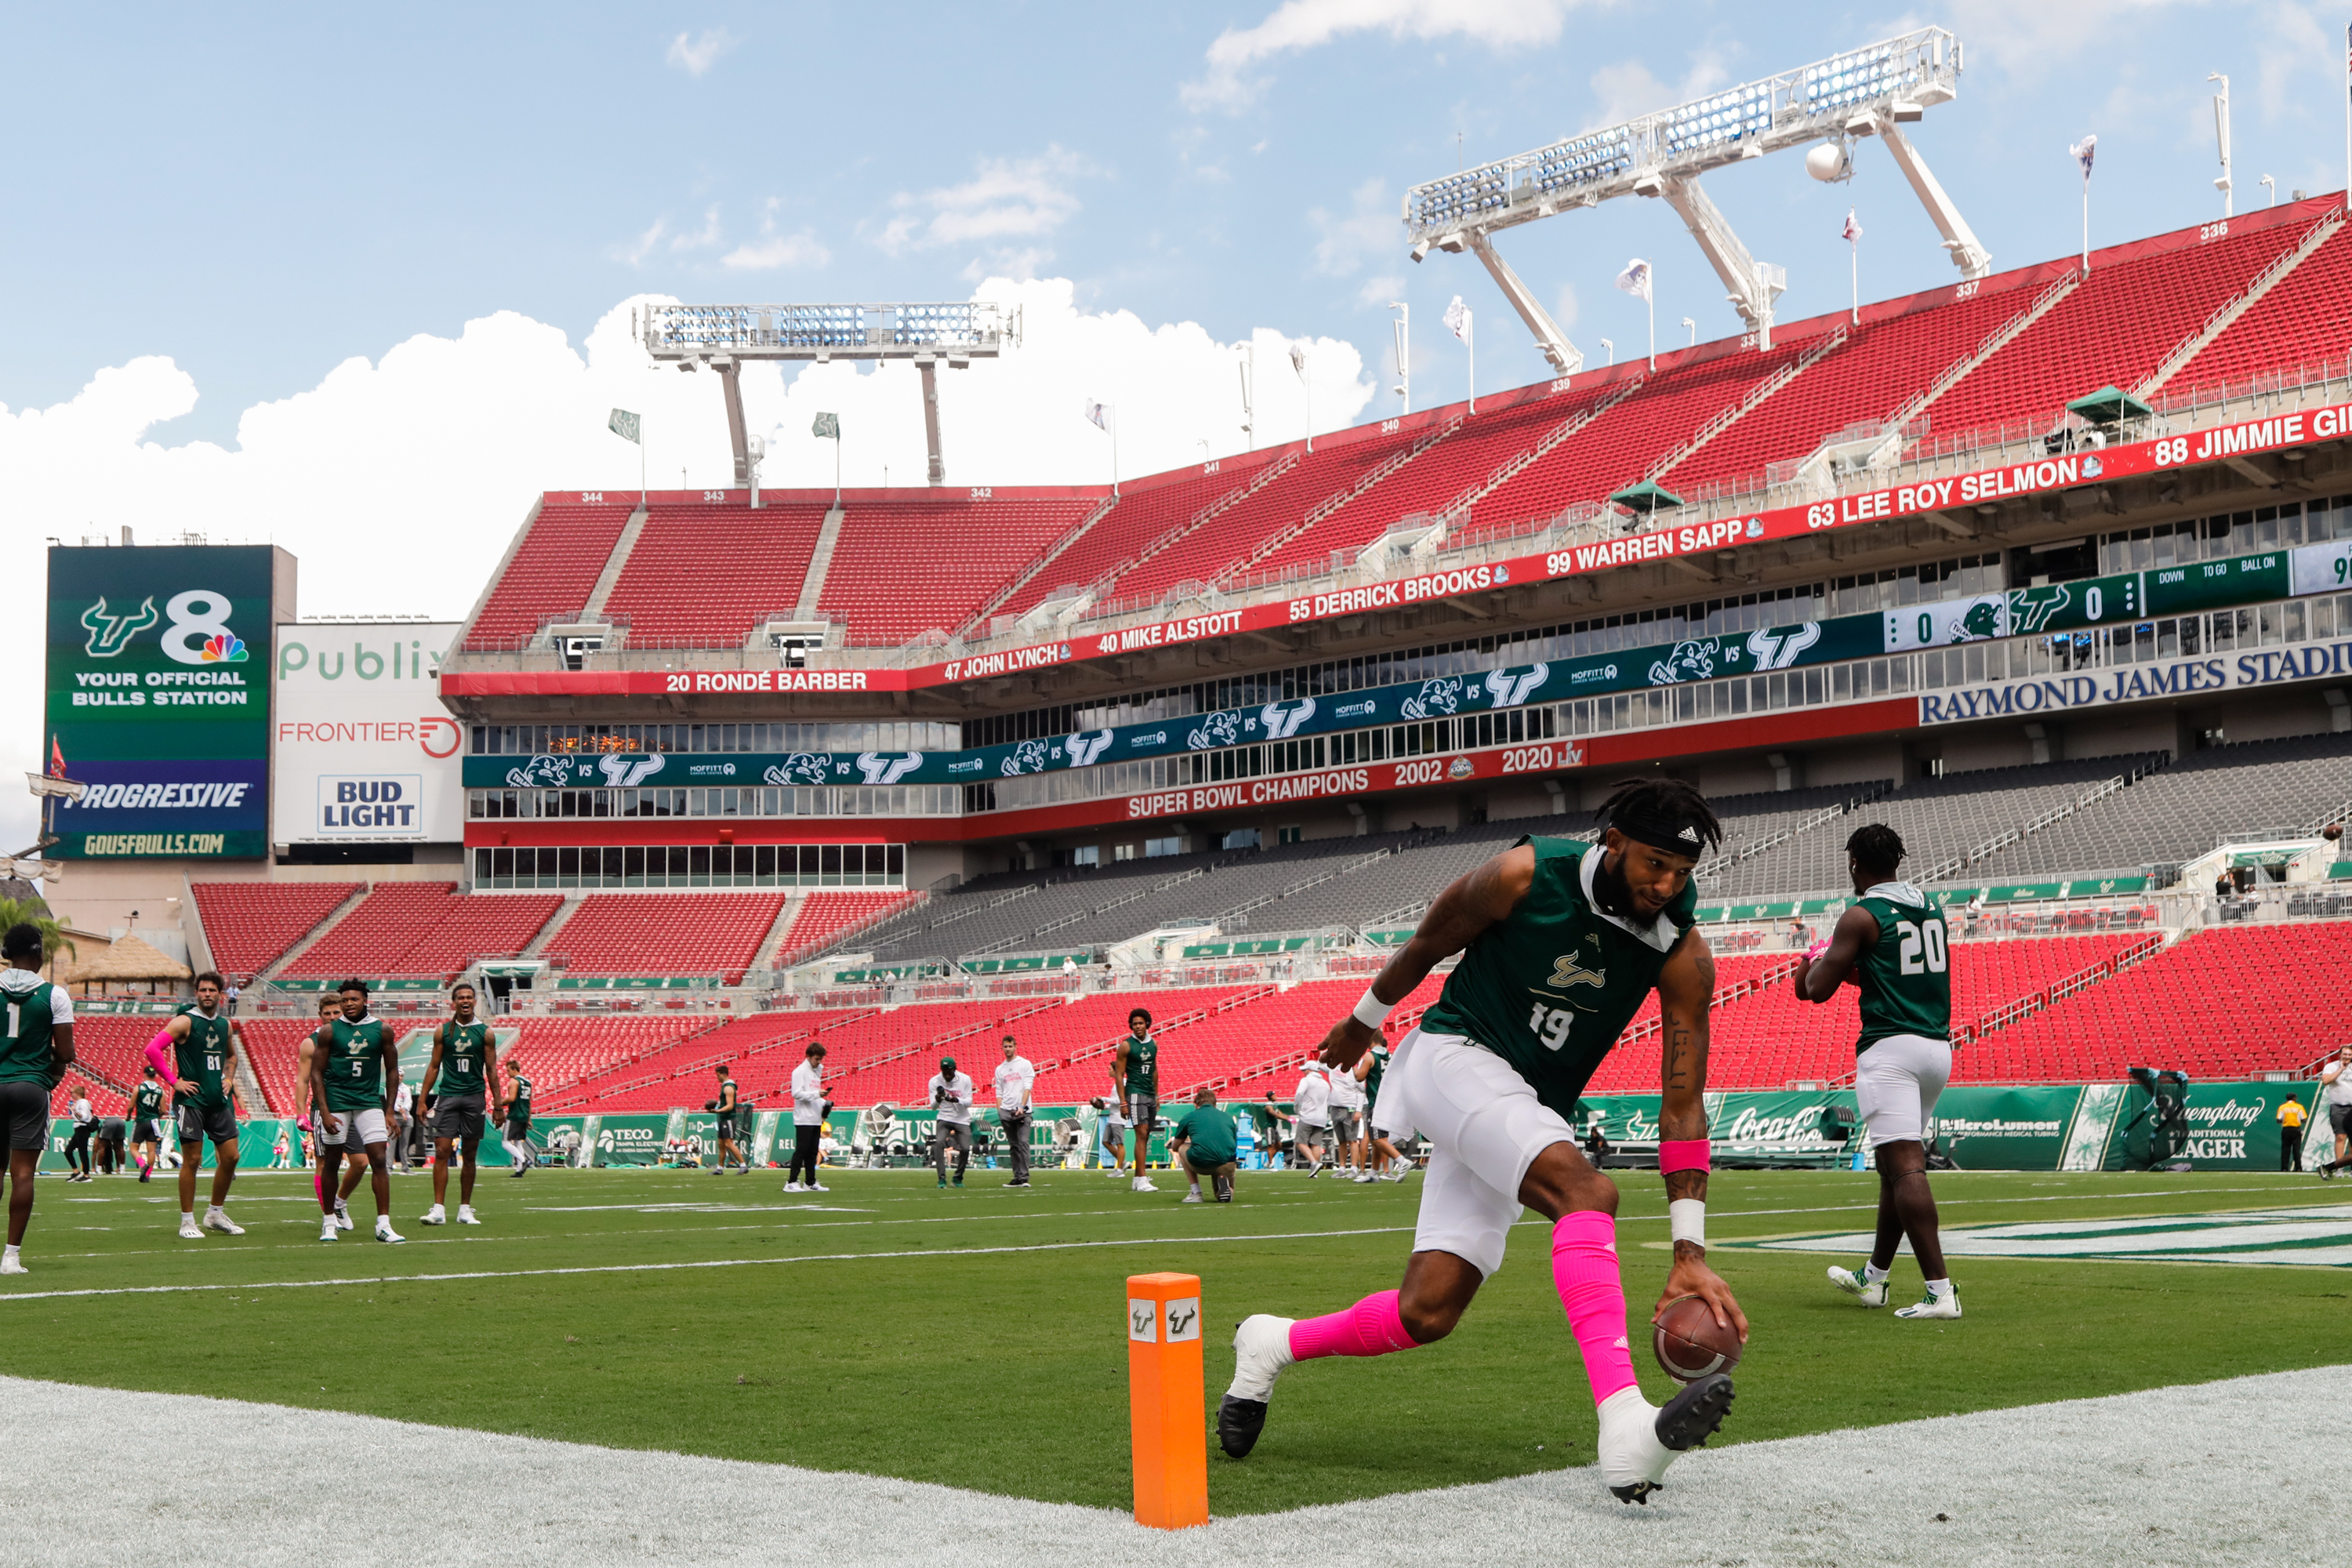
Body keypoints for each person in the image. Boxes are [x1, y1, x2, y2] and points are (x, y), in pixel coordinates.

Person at [1216, 779, 1745, 1505]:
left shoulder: (1683, 949)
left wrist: (1691, 1253)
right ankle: (1626, 1426)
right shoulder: (1526, 873)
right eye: (1655, 863)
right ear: (1613, 842)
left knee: (1426, 1312)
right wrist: (1367, 1019)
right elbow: (1433, 939)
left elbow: (1682, 1104)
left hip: (1520, 1104)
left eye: (1681, 874)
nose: (1666, 885)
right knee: (1586, 1191)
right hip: (1454, 1054)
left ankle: (1272, 1341)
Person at [1798, 824, 1960, 1321]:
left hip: (1890, 1049)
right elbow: (1882, 969)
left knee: (1906, 1165)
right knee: (1894, 1167)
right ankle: (1875, 1278)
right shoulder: (1928, 905)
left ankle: (1941, 1291)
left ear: (1854, 865)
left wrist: (1803, 967)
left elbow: (1817, 989)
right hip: (1936, 1047)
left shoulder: (1861, 913)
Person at [146, 971, 251, 1238]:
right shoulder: (185, 1021)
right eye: (203, 990)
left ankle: (215, 1214)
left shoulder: (225, 1025)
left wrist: (228, 1078)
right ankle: (187, 1221)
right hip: (191, 1101)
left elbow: (232, 1057)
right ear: (197, 993)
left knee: (231, 1157)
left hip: (218, 1101)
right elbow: (152, 1050)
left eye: (212, 991)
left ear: (220, 995)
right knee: (192, 1160)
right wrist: (173, 1081)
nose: (207, 994)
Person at [0, 924, 74, 1274]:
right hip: (30, 1086)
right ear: (37, 953)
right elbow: (67, 1052)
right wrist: (54, 1072)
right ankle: (11, 1257)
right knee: (23, 1172)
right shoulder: (53, 994)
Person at [307, 978, 403, 1243]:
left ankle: (383, 1225)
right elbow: (316, 1072)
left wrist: (389, 1111)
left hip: (368, 1101)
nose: (349, 1004)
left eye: (354, 999)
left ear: (365, 1001)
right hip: (337, 1102)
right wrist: (324, 1112)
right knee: (332, 1162)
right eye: (345, 1000)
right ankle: (329, 1222)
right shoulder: (329, 1031)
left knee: (379, 1160)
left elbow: (393, 1070)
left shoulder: (382, 1030)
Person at [415, 983, 499, 1225]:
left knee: (470, 1154)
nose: (465, 1001)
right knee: (442, 1151)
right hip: (448, 1096)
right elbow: (433, 1066)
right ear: (454, 1002)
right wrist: (422, 1100)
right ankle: (438, 1209)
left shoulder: (485, 1033)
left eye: (469, 997)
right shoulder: (442, 1031)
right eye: (460, 997)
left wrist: (498, 1104)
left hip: (474, 1097)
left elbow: (492, 1069)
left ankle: (465, 1209)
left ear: (475, 1002)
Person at [1111, 1008, 1160, 1193]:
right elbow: (1119, 1074)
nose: (1138, 1026)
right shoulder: (1126, 1046)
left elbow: (1154, 1070)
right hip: (1135, 1093)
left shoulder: (1154, 1044)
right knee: (1141, 1133)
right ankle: (1141, 1178)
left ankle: (1138, 1177)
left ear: (1147, 1024)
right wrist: (1123, 1102)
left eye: (1140, 1023)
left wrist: (1156, 1095)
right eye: (1134, 1024)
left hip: (1149, 1094)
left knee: (1145, 1136)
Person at [1171, 1086, 1239, 1203]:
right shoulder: (1228, 1117)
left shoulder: (1189, 1116)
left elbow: (1175, 1147)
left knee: (1183, 1148)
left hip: (1202, 1161)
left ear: (1196, 1105)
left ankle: (1196, 1193)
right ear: (1215, 1105)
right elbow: (1233, 1143)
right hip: (1227, 1162)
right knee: (1222, 1193)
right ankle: (1228, 1189)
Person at [994, 1035, 1036, 1189]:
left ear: (1015, 1047)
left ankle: (1024, 1176)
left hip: (1023, 1110)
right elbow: (999, 1090)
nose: (1008, 1049)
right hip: (1006, 1110)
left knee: (1023, 1142)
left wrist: (1022, 1106)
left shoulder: (1024, 1064)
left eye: (1010, 1046)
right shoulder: (1000, 1069)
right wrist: (999, 1109)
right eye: (1005, 1046)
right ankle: (1017, 1176)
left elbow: (1028, 1086)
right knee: (1013, 1145)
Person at [786, 1043, 829, 1192]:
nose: (819, 1062)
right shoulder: (800, 1072)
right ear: (808, 1057)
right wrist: (817, 1094)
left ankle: (810, 1182)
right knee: (801, 1150)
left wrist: (823, 1101)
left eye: (820, 1059)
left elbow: (813, 1091)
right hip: (803, 1118)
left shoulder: (816, 1072)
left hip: (815, 1117)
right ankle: (791, 1181)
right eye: (817, 1059)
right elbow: (796, 1093)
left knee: (812, 1152)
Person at [929, 1055, 975, 1188]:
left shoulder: (965, 1079)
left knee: (965, 1149)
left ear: (955, 1070)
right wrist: (938, 1099)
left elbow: (969, 1102)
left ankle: (958, 1178)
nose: (947, 1075)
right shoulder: (934, 1081)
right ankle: (941, 1178)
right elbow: (933, 1107)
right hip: (944, 1117)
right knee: (939, 1143)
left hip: (962, 1118)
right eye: (944, 1072)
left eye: (949, 1072)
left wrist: (956, 1100)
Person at [1289, 1062, 1332, 1176]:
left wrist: (1297, 1108)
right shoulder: (1325, 1083)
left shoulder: (1307, 1080)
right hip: (1322, 1117)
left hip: (1308, 1115)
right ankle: (1315, 1169)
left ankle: (1313, 1163)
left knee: (1300, 1142)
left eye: (1305, 1070)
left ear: (1310, 1070)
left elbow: (1299, 1094)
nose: (1304, 1072)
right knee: (1315, 1144)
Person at [1327, 1051, 1365, 1178]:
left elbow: (1361, 1091)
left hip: (1350, 1108)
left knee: (1352, 1140)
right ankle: (1342, 1168)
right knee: (1341, 1140)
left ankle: (1354, 1168)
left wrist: (1358, 1110)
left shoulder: (1354, 1072)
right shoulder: (1334, 1069)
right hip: (1335, 1108)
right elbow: (1320, 1062)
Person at [499, 1056, 536, 1177]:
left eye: (508, 1070)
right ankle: (519, 1170)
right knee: (518, 1143)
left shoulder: (514, 1081)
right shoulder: (528, 1083)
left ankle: (524, 1161)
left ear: (515, 1070)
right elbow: (529, 1102)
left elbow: (511, 1098)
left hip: (514, 1115)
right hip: (524, 1115)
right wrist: (529, 1118)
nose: (507, 1073)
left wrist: (499, 1102)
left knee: (506, 1143)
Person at [706, 1063, 746, 1174]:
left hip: (729, 1118)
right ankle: (720, 1168)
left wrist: (717, 1111)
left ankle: (743, 1165)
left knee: (729, 1143)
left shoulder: (728, 1087)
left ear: (724, 1074)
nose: (717, 1078)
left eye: (718, 1075)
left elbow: (730, 1105)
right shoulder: (725, 1086)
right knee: (721, 1144)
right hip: (724, 1118)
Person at [129, 1065, 165, 1183]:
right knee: (152, 1150)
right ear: (154, 1076)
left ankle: (142, 1164)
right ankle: (147, 1175)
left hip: (141, 1120)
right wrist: (155, 1115)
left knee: (134, 1148)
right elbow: (163, 1110)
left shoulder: (139, 1088)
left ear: (145, 1075)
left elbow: (131, 1105)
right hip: (154, 1121)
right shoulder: (161, 1090)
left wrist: (128, 1115)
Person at [2321, 1046, 2352, 1178]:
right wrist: (2341, 1069)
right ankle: (2339, 1168)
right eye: (2345, 1054)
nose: (2347, 1057)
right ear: (2340, 1055)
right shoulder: (2331, 1066)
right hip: (2338, 1106)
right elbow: (2326, 1081)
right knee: (2340, 1137)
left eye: (2350, 1055)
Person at [61, 1089, 95, 1181]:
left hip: (82, 1128)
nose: (71, 1094)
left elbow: (84, 1117)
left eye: (72, 1092)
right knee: (68, 1151)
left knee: (82, 1152)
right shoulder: (80, 1102)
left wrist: (74, 1111)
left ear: (77, 1093)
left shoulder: (83, 1102)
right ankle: (76, 1172)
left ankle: (86, 1175)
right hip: (79, 1128)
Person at [2278, 1093, 2308, 1172]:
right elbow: (2304, 1119)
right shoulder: (2299, 1107)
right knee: (2296, 1150)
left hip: (2286, 1130)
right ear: (2294, 1098)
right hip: (2296, 1129)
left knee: (2285, 1149)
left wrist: (2286, 1119)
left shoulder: (2282, 1107)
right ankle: (2298, 1168)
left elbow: (2278, 1120)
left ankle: (2284, 1168)